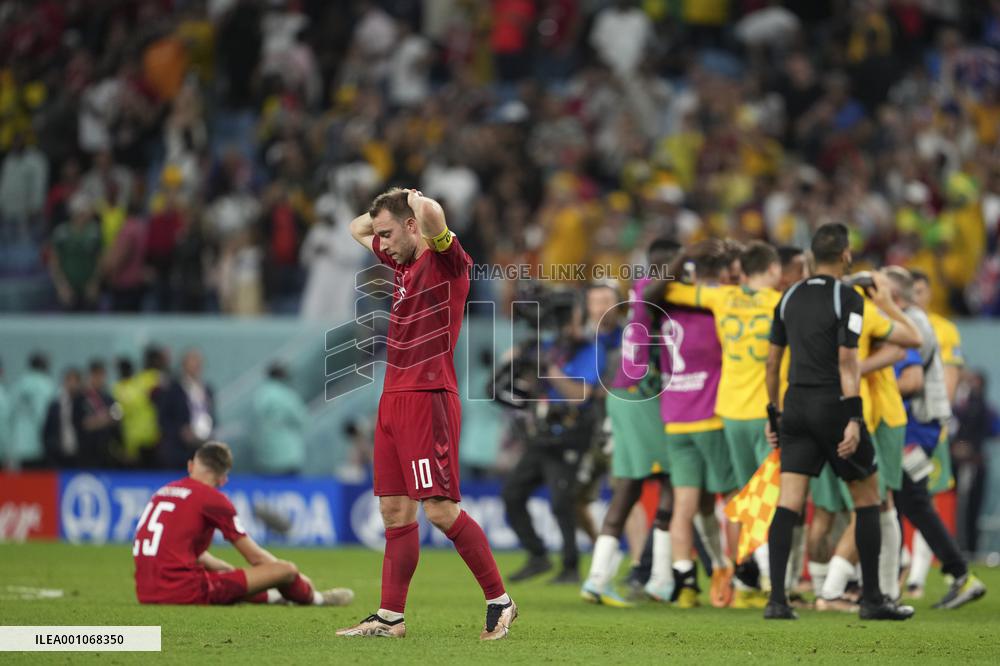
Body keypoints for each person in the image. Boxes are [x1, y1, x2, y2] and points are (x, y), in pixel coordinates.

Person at [338, 188, 514, 640]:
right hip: (393, 398)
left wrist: (415, 200)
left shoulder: (447, 262)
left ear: (413, 226)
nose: (382, 243)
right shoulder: (402, 262)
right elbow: (356, 227)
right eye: (382, 236)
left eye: (389, 234)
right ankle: (390, 617)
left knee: (439, 510)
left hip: (428, 396)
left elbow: (433, 213)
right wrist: (387, 216)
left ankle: (500, 601)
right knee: (395, 511)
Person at [763, 222, 912, 620]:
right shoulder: (846, 297)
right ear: (846, 255)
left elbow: (773, 362)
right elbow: (848, 362)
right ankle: (873, 600)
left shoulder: (788, 296)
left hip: (794, 405)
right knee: (869, 499)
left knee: (789, 502)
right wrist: (853, 418)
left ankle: (777, 600)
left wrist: (772, 413)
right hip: (832, 404)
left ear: (811, 257)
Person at [662, 240, 784, 608]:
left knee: (708, 502)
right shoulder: (773, 302)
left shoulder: (711, 301)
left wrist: (686, 257)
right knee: (750, 500)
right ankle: (754, 580)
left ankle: (691, 582)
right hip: (742, 413)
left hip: (704, 414)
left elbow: (662, 287)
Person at [133, 441, 353, 607]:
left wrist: (227, 569)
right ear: (223, 478)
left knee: (228, 578)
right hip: (181, 590)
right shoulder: (212, 499)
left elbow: (185, 550)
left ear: (191, 466)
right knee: (286, 570)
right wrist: (296, 579)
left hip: (145, 590)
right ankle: (317, 598)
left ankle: (276, 597)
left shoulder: (163, 491)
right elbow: (255, 557)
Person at [581, 239, 679, 608]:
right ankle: (660, 579)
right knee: (671, 478)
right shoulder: (655, 290)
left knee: (629, 488)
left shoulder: (645, 291)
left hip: (626, 395)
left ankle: (598, 579)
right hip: (640, 396)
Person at [882, 266, 986, 609]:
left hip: (915, 427)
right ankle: (957, 576)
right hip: (916, 426)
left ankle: (887, 586)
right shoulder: (915, 322)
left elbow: (920, 380)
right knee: (910, 501)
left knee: (895, 500)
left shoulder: (916, 325)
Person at [644, 239, 736, 609]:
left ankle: (685, 584)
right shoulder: (720, 305)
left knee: (685, 505)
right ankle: (739, 577)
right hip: (711, 416)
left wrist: (686, 259)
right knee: (730, 501)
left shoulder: (664, 305)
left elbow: (651, 289)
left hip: (676, 417)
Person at [157, 349, 215, 469]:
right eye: (192, 363)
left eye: (198, 363)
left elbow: (211, 414)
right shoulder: (172, 389)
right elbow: (163, 419)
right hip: (179, 450)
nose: (196, 366)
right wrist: (181, 432)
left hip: (202, 447)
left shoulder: (206, 389)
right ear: (184, 365)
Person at [251, 363, 308, 475]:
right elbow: (301, 419)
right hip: (288, 454)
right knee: (289, 487)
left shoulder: (259, 395)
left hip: (264, 454)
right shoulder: (287, 395)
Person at [6, 353, 57, 470]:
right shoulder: (45, 384)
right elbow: (44, 415)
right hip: (39, 445)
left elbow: (9, 414)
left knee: (24, 482)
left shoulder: (18, 384)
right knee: (38, 483)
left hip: (19, 444)